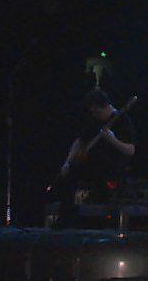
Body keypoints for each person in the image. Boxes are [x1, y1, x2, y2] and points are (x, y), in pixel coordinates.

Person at [52, 88, 136, 227]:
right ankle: (65, 216)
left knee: (97, 160)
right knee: (69, 173)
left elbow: (130, 150)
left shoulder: (122, 120)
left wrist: (113, 140)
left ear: (106, 107)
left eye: (97, 112)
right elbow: (80, 141)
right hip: (93, 166)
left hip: (112, 167)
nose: (95, 115)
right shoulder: (94, 121)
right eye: (93, 112)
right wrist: (67, 162)